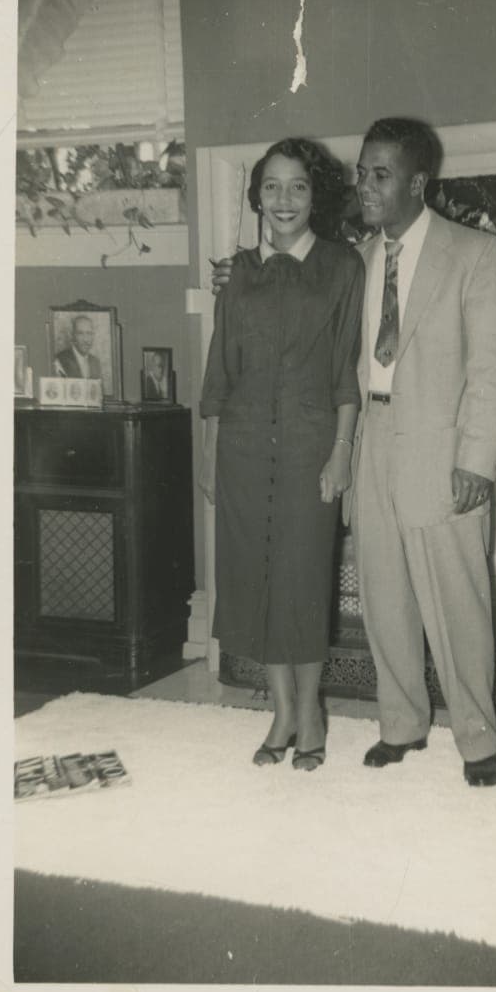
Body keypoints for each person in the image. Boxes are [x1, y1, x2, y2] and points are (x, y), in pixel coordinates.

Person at [213, 117, 496, 788]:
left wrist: (476, 459)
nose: (366, 186)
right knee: (384, 600)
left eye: (381, 174)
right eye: (361, 173)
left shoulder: (474, 253)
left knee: (457, 603)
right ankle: (401, 726)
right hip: (368, 443)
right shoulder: (356, 258)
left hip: (441, 452)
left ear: (417, 181)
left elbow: (494, 369)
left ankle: (476, 739)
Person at [199, 137, 364, 772]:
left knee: (303, 578)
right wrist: (209, 454)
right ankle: (282, 713)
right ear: (257, 197)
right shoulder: (236, 272)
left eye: (298, 185)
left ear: (315, 195)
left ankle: (312, 713)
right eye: (271, 186)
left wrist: (342, 450)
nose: (284, 198)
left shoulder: (343, 267)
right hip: (241, 448)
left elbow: (346, 369)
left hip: (308, 447)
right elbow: (219, 370)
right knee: (257, 577)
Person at [55, 315, 103, 381]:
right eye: (80, 333)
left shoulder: (95, 362)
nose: (85, 339)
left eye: (89, 333)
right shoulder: (60, 360)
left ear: (93, 336)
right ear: (73, 335)